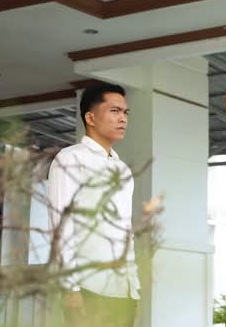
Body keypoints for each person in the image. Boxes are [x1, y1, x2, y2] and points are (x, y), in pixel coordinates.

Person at [47, 83, 139, 327]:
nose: (123, 119)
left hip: (124, 291)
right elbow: (61, 226)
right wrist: (70, 287)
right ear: (90, 118)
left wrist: (134, 286)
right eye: (114, 111)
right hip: (87, 288)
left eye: (125, 112)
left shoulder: (123, 169)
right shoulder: (70, 159)